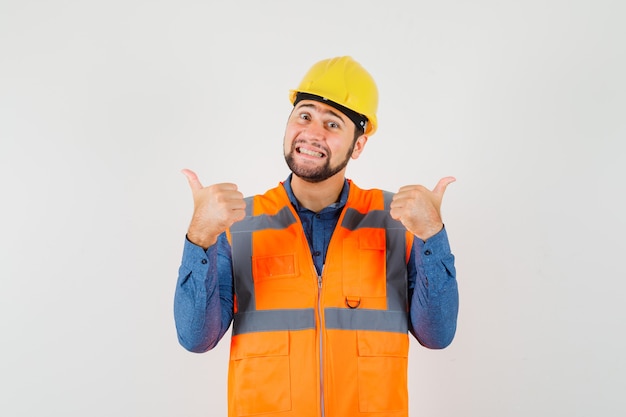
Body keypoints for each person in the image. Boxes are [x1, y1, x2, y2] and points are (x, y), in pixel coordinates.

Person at [174, 56, 459, 417]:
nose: (313, 133)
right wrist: (200, 236)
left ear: (358, 145)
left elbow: (437, 334)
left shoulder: (400, 221)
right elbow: (196, 338)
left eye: (332, 124)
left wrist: (432, 235)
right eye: (304, 116)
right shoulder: (235, 223)